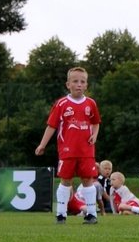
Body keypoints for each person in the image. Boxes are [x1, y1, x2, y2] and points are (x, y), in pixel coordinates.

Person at [35, 67, 101, 225]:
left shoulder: (90, 103)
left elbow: (96, 122)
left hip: (86, 150)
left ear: (86, 85)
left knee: (88, 180)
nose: (79, 84)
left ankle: (91, 214)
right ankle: (61, 214)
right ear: (68, 84)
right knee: (66, 180)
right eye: (75, 81)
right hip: (67, 150)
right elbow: (51, 126)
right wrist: (42, 144)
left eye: (82, 82)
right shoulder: (61, 104)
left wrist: (94, 135)